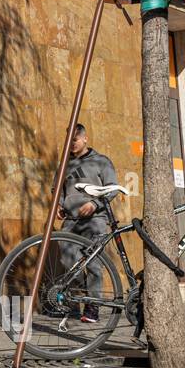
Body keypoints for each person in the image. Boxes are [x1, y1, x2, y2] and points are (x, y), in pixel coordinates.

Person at [58, 123, 119, 323]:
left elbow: (113, 188)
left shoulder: (101, 161)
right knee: (68, 262)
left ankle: (92, 307)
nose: (72, 144)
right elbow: (57, 190)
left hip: (96, 220)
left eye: (75, 140)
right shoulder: (65, 165)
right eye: (69, 141)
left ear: (85, 139)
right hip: (71, 221)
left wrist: (95, 203)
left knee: (94, 265)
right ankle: (79, 297)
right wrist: (59, 205)